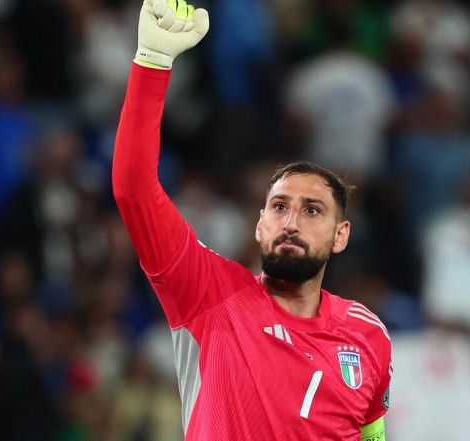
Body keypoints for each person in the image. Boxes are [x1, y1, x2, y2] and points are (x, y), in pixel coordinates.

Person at [111, 0, 393, 439]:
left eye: (312, 210)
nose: (291, 221)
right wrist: (153, 62)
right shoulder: (208, 293)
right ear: (260, 226)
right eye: (279, 207)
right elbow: (134, 190)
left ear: (341, 236)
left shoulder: (367, 333)